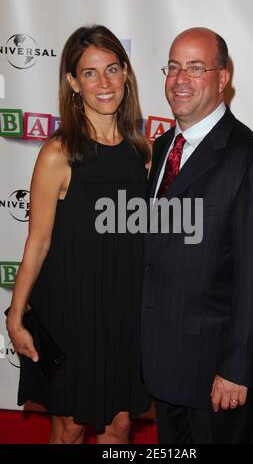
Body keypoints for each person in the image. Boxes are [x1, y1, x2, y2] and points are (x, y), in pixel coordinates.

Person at [6, 25, 152, 444]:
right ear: (72, 82)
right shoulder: (59, 153)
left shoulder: (143, 151)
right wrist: (15, 315)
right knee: (69, 426)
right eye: (89, 73)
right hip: (69, 310)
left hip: (124, 311)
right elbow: (38, 241)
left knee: (120, 426)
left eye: (111, 69)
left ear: (126, 73)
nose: (103, 83)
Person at [141, 27, 253, 444]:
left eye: (195, 67)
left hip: (218, 379)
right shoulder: (162, 147)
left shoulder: (252, 160)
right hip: (164, 366)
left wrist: (238, 368)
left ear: (223, 78)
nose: (179, 79)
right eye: (172, 67)